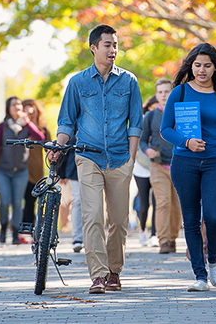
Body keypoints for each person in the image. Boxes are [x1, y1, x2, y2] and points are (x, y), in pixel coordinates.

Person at [49, 24, 143, 294]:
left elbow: (135, 123)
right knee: (92, 217)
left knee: (119, 220)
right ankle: (98, 275)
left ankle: (114, 271)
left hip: (119, 158)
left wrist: (131, 160)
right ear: (93, 48)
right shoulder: (78, 82)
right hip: (87, 157)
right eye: (107, 45)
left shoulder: (129, 81)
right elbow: (66, 122)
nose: (113, 50)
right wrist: (58, 145)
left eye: (115, 45)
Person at [160, 42, 216, 292]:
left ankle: (213, 259)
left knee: (212, 217)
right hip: (184, 162)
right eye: (197, 65)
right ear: (191, 66)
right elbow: (165, 129)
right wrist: (186, 141)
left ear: (214, 68)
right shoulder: (179, 93)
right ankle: (199, 276)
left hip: (215, 162)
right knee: (190, 220)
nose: (201, 70)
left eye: (207, 66)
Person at [0, 96, 46, 244]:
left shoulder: (26, 127)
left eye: (19, 104)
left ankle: (15, 234)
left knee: (18, 203)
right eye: (13, 105)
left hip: (21, 171)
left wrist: (29, 123)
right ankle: (4, 227)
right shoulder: (3, 127)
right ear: (8, 108)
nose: (17, 107)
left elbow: (40, 138)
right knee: (5, 201)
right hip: (3, 170)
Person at [141, 79, 182, 254]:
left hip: (179, 165)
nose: (164, 95)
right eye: (160, 92)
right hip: (158, 165)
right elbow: (142, 141)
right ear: (156, 95)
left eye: (167, 91)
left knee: (177, 205)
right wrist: (147, 150)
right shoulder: (150, 116)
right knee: (163, 202)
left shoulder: (180, 112)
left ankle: (172, 238)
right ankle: (163, 240)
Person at [21, 99, 52, 244]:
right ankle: (22, 230)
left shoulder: (43, 129)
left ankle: (33, 230)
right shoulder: (20, 127)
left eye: (32, 108)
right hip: (20, 170)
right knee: (23, 201)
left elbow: (50, 149)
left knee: (33, 201)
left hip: (37, 170)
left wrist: (55, 169)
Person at [134, 96, 159, 248]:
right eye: (153, 106)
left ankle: (154, 234)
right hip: (141, 169)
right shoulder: (142, 120)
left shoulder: (161, 119)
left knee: (158, 202)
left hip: (157, 167)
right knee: (144, 203)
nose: (155, 109)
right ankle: (142, 230)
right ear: (148, 107)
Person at [55, 135, 85, 253]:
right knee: (78, 200)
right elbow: (65, 142)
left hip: (97, 164)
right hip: (74, 167)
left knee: (92, 202)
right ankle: (77, 238)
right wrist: (61, 172)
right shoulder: (75, 118)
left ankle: (92, 237)